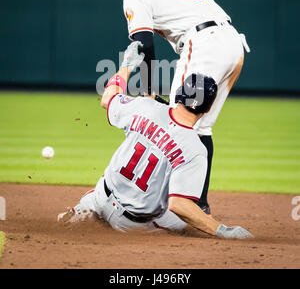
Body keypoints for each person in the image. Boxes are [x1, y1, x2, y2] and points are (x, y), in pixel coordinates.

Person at [58, 41, 253, 239]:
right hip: (130, 223)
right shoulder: (195, 150)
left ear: (179, 94)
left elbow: (108, 98)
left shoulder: (144, 106)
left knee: (97, 195)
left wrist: (127, 64)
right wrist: (222, 230)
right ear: (207, 109)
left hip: (100, 197)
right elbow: (179, 204)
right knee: (190, 218)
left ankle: (82, 210)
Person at [119, 0, 250, 215]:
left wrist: (148, 89)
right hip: (234, 44)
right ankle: (198, 205)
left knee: (173, 122)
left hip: (203, 44)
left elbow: (143, 43)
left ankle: (164, 202)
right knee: (199, 129)